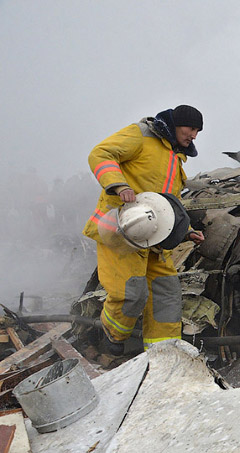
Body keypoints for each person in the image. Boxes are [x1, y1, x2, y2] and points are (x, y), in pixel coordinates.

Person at [84, 105, 206, 355]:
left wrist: (186, 230)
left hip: (156, 239)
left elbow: (168, 203)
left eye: (197, 131)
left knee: (167, 297)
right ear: (176, 123)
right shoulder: (141, 135)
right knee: (131, 293)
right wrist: (118, 186)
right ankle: (112, 336)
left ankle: (164, 355)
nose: (194, 135)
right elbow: (100, 154)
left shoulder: (176, 157)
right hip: (122, 232)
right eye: (191, 128)